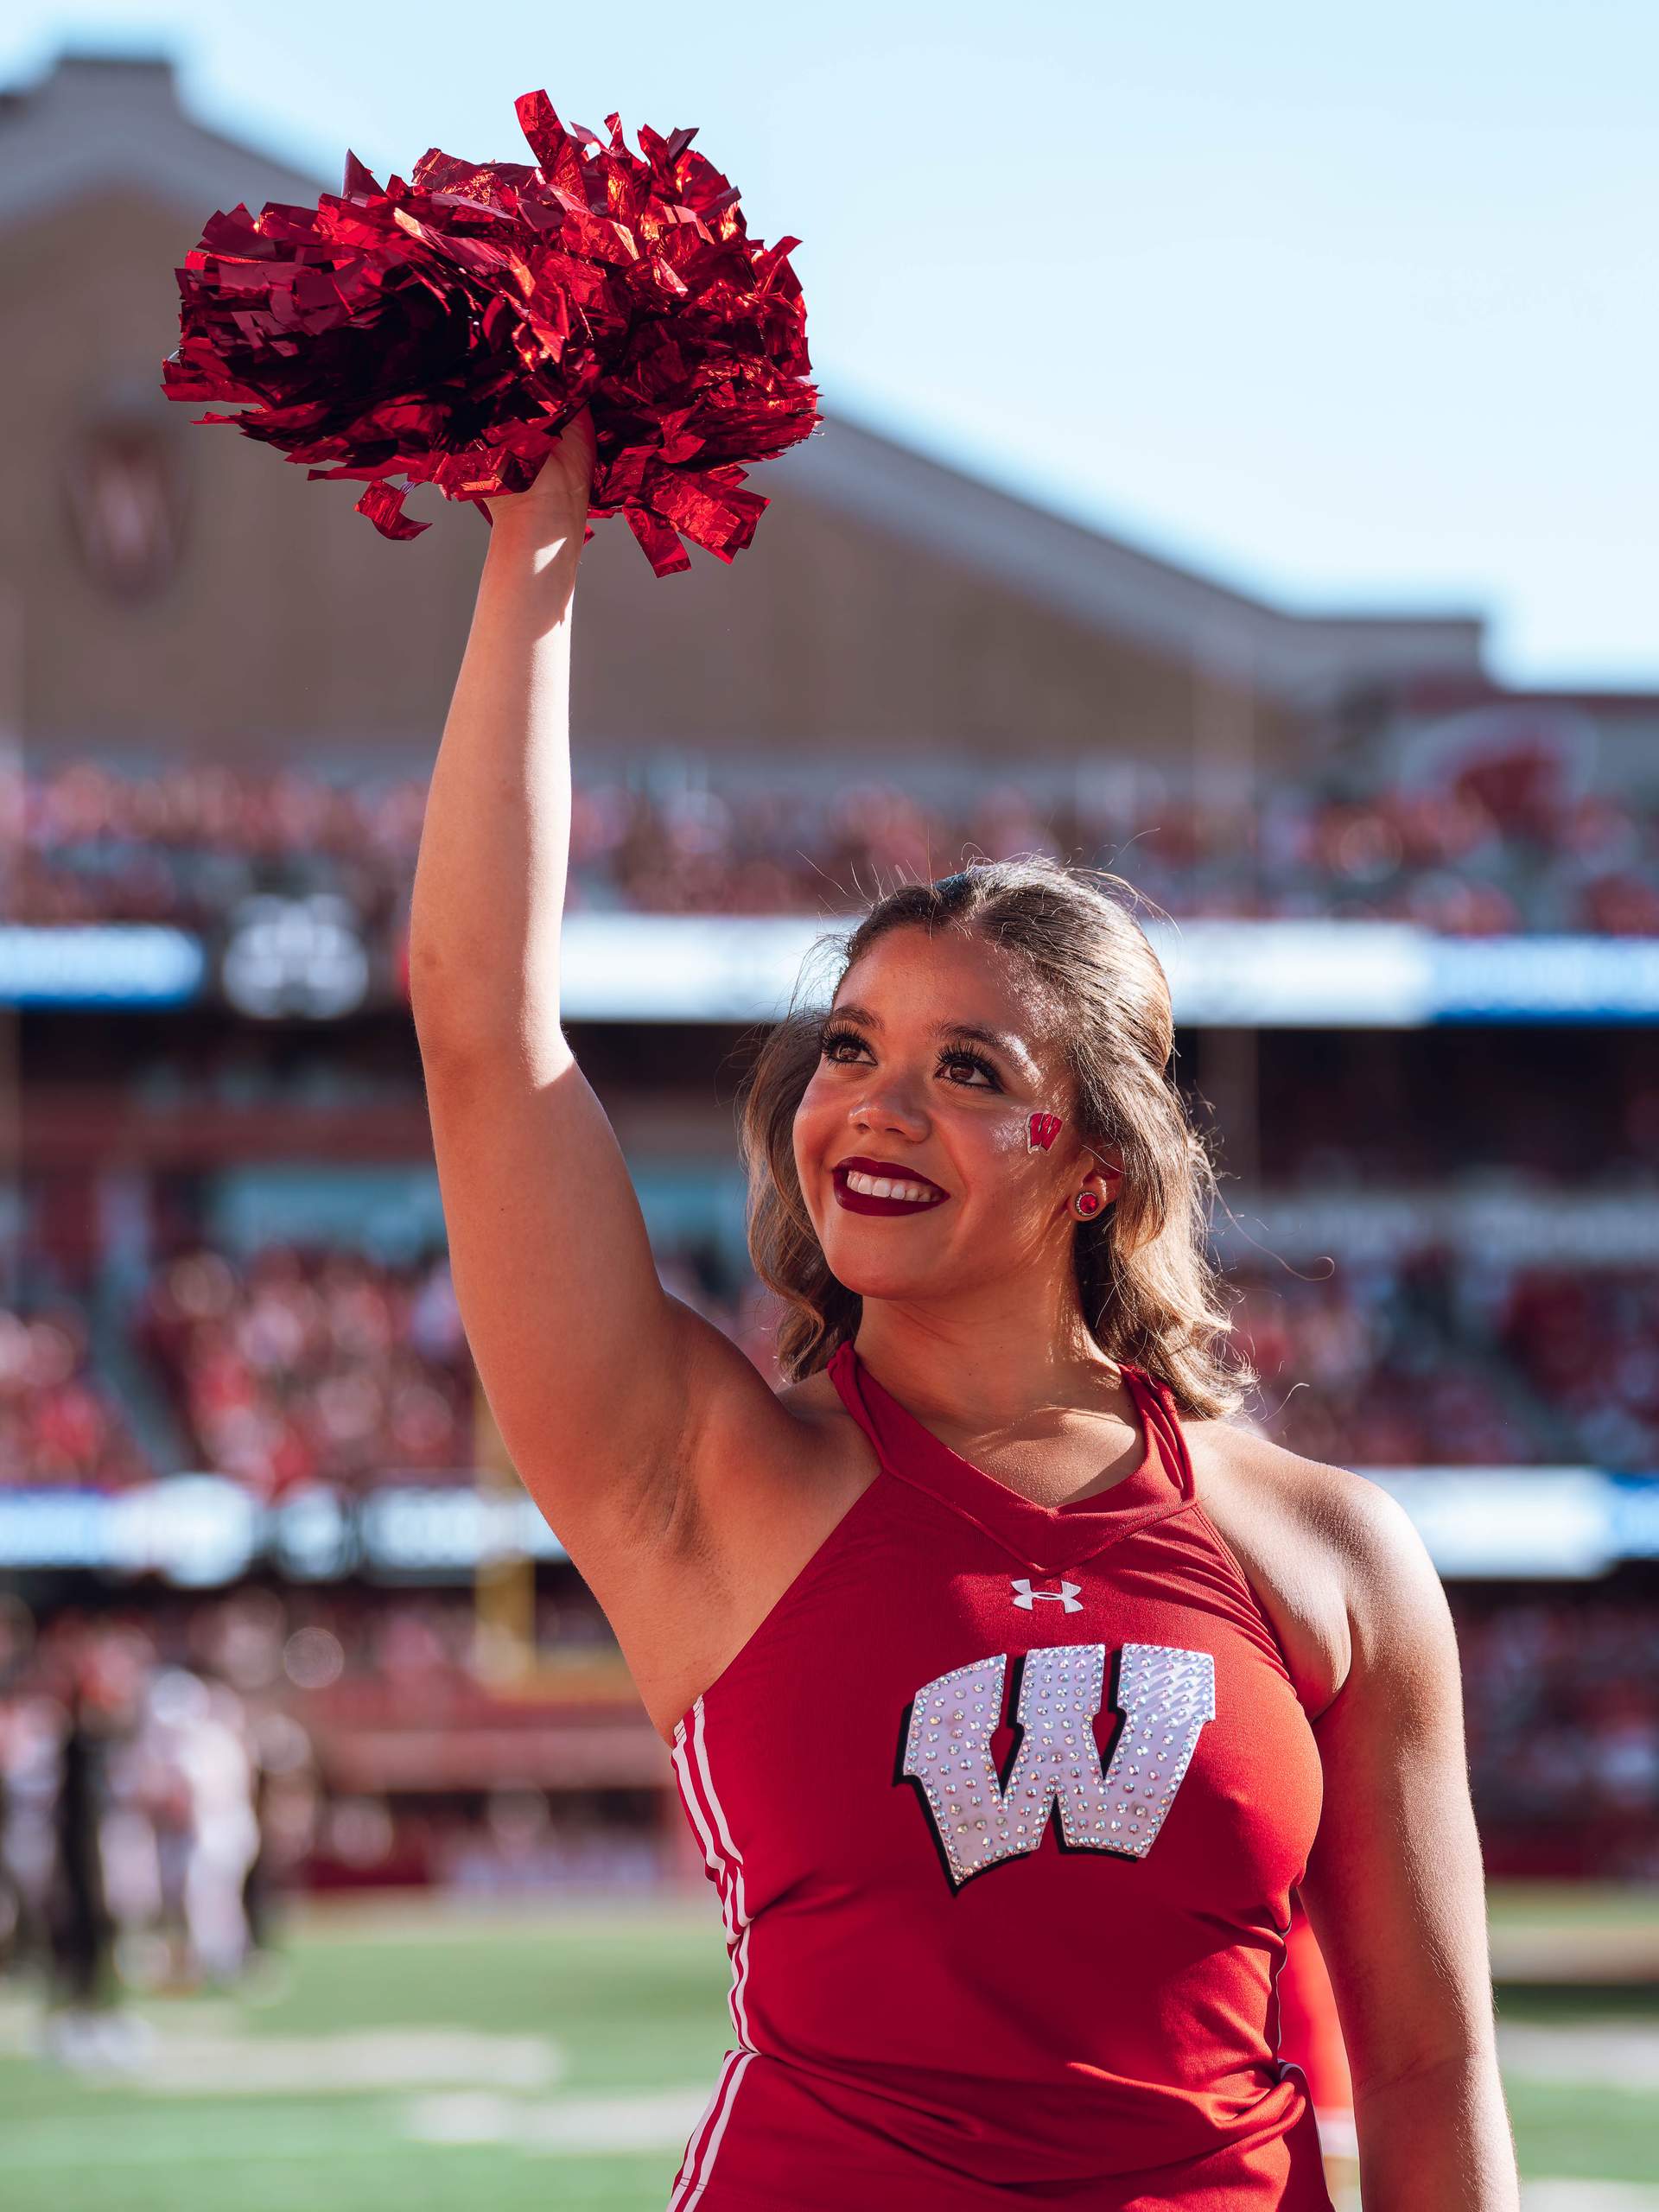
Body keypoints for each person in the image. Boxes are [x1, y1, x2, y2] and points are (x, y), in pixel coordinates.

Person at [409, 414, 1521, 2210]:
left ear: (1093, 1160)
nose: (871, 1105)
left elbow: (1425, 2054)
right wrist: (534, 546)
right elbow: (480, 1031)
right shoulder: (704, 1473)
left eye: (964, 1066)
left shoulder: (1329, 1548)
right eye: (848, 1048)